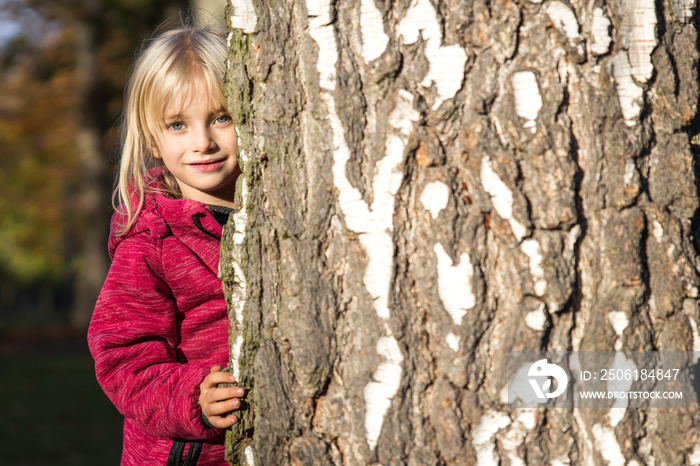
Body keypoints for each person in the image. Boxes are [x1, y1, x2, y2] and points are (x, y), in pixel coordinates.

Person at [88, 24, 244, 466]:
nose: (203, 142)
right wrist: (193, 396)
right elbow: (122, 357)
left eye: (221, 117)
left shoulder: (275, 214)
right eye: (178, 124)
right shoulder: (151, 239)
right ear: (153, 139)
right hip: (183, 453)